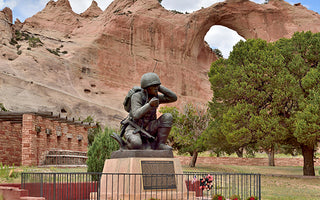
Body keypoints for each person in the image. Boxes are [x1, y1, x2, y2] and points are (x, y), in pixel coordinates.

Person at [123, 72, 177, 150]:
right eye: (153, 87)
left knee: (168, 116)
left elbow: (173, 98)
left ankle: (160, 144)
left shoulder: (156, 97)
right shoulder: (137, 96)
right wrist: (149, 105)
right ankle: (125, 147)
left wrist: (158, 86)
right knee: (136, 144)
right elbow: (136, 114)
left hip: (149, 127)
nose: (156, 89)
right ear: (147, 88)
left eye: (157, 86)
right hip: (134, 127)